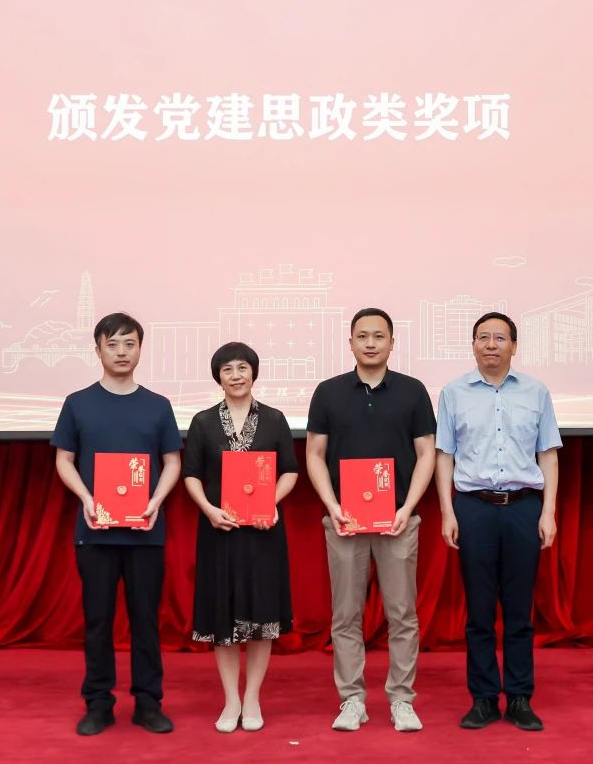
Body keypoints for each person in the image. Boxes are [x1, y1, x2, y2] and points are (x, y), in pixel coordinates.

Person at [305, 308, 437, 733]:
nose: (370, 343)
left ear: (392, 343)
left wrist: (407, 507)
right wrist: (332, 506)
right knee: (345, 616)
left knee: (402, 614)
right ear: (350, 343)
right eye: (362, 336)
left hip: (398, 520)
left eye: (379, 336)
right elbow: (314, 454)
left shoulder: (413, 392)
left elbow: (426, 454)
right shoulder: (328, 392)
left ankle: (402, 699)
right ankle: (352, 699)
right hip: (344, 521)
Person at [51, 312, 182, 737]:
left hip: (145, 532)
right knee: (98, 620)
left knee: (145, 621)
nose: (122, 352)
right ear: (98, 350)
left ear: (140, 349)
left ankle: (148, 703)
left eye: (130, 343)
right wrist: (87, 498)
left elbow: (172, 462)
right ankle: (98, 703)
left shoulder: (158, 405)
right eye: (112, 344)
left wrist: (156, 501)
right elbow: (64, 460)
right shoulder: (78, 403)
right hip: (95, 530)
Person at [435, 311, 561, 732]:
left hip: (524, 507)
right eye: (483, 337)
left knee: (520, 610)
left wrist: (548, 511)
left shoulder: (536, 392)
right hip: (474, 507)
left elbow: (548, 453)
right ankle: (484, 699)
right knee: (479, 611)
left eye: (500, 338)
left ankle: (520, 697)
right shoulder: (453, 393)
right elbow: (444, 455)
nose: (491, 344)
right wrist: (448, 511)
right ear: (473, 345)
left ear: (514, 346)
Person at [182, 342, 298, 733]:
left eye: (243, 367)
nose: (236, 375)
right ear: (218, 376)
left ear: (254, 372)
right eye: (228, 369)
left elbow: (290, 471)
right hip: (219, 532)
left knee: (261, 616)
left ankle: (252, 699)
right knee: (223, 616)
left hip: (263, 534)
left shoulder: (275, 419)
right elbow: (191, 474)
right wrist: (208, 510)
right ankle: (231, 699)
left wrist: (270, 502)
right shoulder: (203, 422)